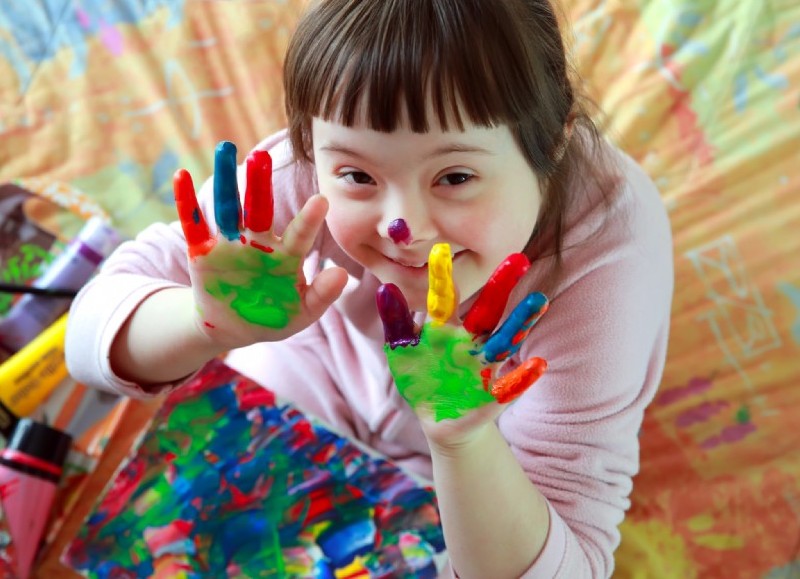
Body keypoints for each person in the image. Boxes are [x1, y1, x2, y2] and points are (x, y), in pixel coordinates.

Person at [65, 0, 674, 577]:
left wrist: (463, 440)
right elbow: (87, 336)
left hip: (482, 471)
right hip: (308, 377)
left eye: (455, 176)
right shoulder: (299, 180)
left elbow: (567, 563)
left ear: (555, 140)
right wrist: (205, 323)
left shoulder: (607, 262)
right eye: (357, 174)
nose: (401, 227)